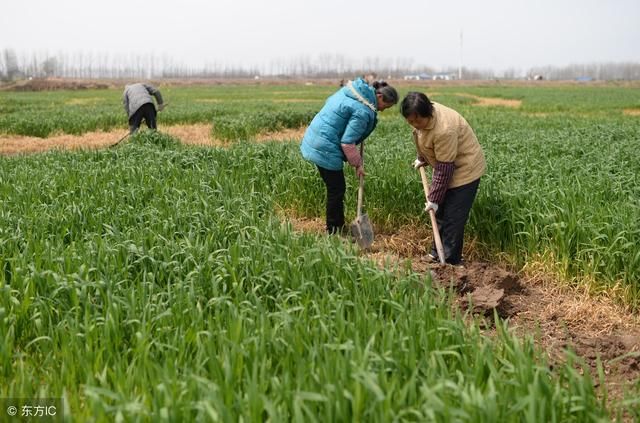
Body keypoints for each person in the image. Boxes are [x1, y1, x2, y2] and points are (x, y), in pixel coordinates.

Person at [300, 78, 398, 234]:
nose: (383, 110)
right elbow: (347, 142)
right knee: (337, 189)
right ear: (379, 97)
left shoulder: (352, 92)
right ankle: (334, 230)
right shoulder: (363, 111)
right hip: (325, 147)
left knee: (335, 187)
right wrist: (358, 164)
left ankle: (336, 226)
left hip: (315, 138)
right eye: (386, 106)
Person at [400, 91, 485, 265]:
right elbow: (423, 139)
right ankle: (436, 253)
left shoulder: (444, 129)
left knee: (453, 216)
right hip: (447, 165)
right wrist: (422, 158)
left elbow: (445, 169)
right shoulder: (420, 117)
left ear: (428, 113)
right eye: (410, 122)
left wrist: (434, 198)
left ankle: (451, 261)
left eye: (418, 121)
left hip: (465, 169)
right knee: (439, 212)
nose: (415, 125)